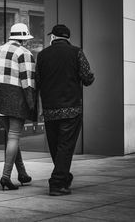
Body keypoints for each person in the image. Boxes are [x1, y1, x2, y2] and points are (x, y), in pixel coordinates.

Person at [36, 24, 95, 196]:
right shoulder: (76, 52)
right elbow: (87, 78)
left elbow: (37, 81)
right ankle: (57, 182)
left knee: (56, 147)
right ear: (67, 38)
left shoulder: (42, 55)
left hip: (50, 109)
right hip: (71, 109)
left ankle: (64, 177)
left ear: (53, 37)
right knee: (65, 146)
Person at [0, 23, 36, 190]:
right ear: (24, 38)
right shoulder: (25, 53)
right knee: (14, 136)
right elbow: (28, 82)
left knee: (11, 137)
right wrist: (31, 103)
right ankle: (5, 177)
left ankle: (22, 173)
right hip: (16, 98)